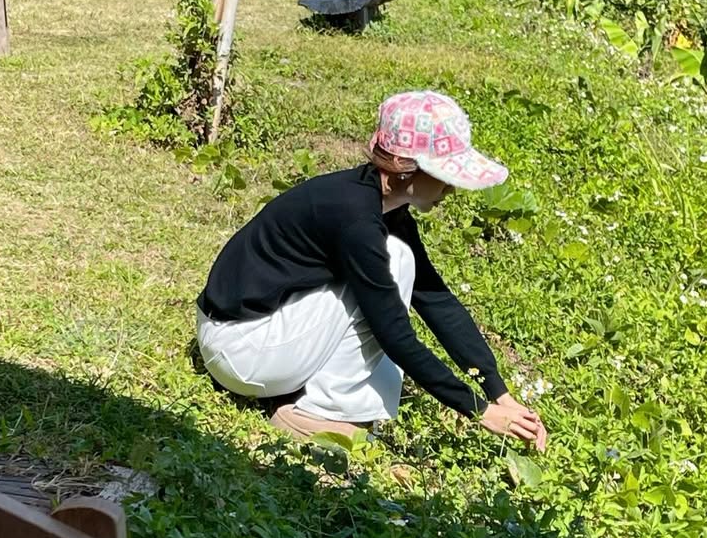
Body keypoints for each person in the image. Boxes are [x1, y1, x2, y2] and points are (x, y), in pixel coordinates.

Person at [196, 89, 548, 450]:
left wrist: (496, 390)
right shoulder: (355, 220)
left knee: (399, 259)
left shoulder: (382, 203)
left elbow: (435, 299)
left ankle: (319, 396)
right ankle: (313, 414)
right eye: (444, 175)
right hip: (238, 349)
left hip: (263, 333)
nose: (452, 190)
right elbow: (394, 332)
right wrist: (478, 410)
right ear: (404, 167)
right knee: (393, 261)